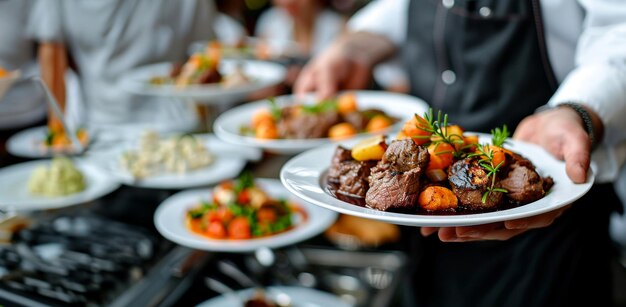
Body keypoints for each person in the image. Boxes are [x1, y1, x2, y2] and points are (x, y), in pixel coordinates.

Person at [295, 0, 626, 306]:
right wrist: (354, 46)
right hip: (423, 228)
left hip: (546, 239)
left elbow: (619, 27)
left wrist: (579, 109)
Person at [26, 0, 219, 135]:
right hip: (100, 132)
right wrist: (57, 133)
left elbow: (202, 56)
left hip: (177, 126)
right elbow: (52, 54)